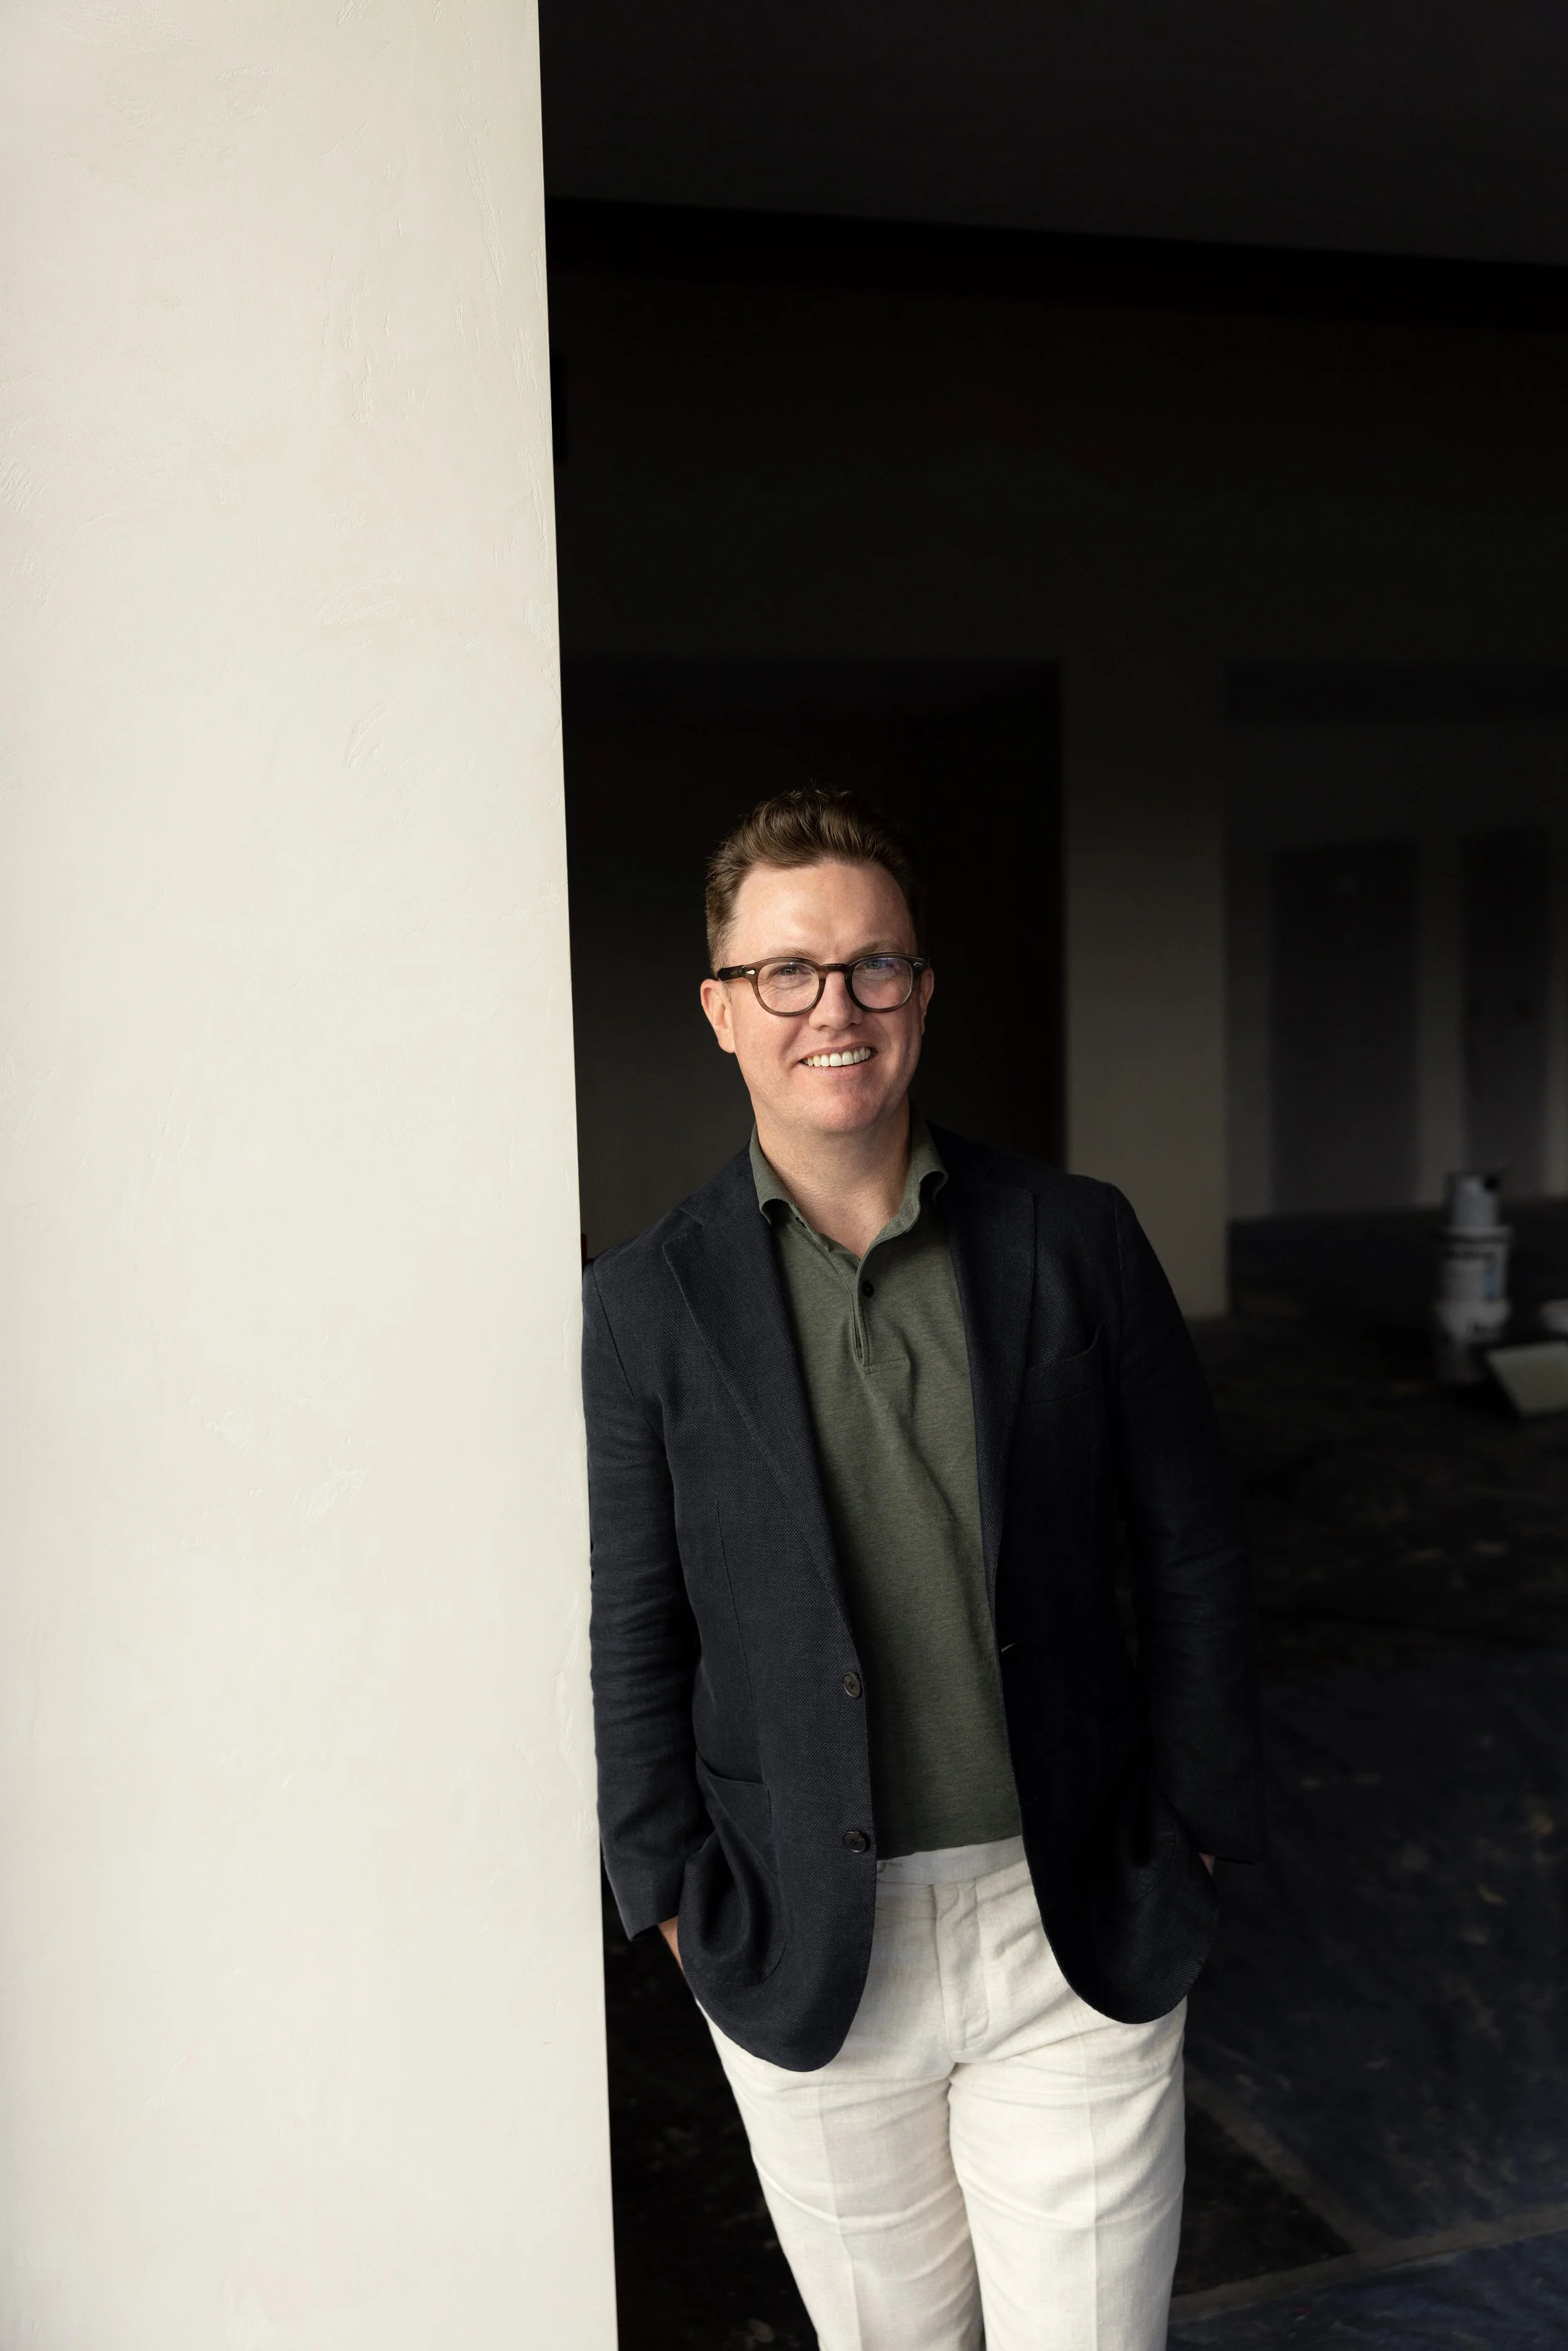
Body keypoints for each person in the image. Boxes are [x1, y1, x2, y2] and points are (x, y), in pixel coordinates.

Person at [584, 787, 1263, 2351]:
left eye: (871, 964)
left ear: (920, 991)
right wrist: (671, 1896)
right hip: (806, 1929)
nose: (833, 1005)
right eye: (786, 970)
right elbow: (635, 1621)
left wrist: (1199, 1829)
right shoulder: (644, 1302)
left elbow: (1192, 1548)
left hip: (1069, 1913)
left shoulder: (1073, 1236)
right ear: (720, 1009)